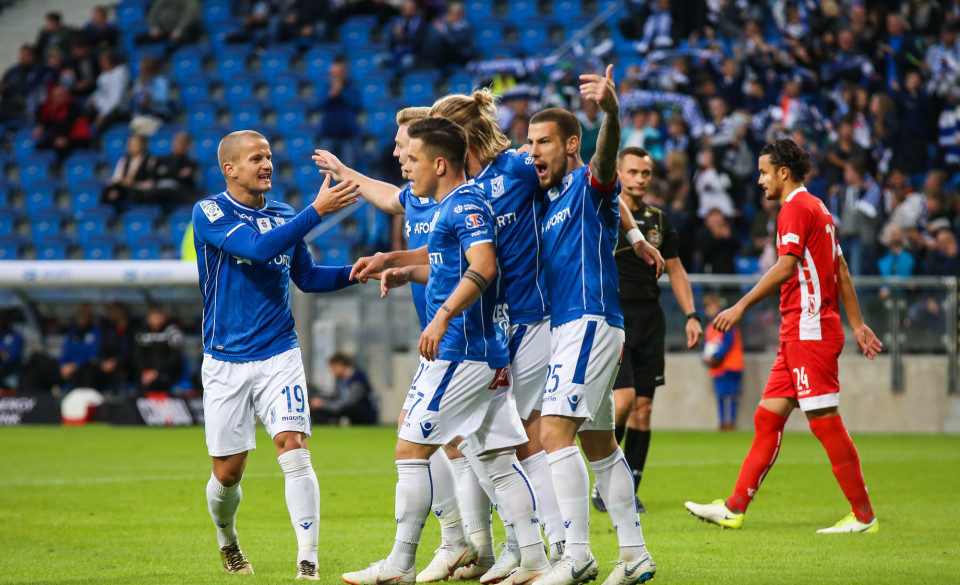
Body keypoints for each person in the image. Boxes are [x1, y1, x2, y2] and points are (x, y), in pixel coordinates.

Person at [343, 117, 550, 585]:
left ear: (440, 164)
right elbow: (449, 267)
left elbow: (484, 266)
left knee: (410, 448)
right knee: (497, 460)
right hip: (484, 352)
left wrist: (441, 316)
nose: (406, 167)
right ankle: (535, 559)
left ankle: (401, 565)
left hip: (462, 350)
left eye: (413, 158)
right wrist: (401, 270)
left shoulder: (466, 203)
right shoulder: (451, 206)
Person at [684, 138, 883, 534]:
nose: (759, 180)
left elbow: (787, 265)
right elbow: (841, 269)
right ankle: (734, 507)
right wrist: (857, 324)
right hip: (799, 333)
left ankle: (864, 517)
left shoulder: (794, 209)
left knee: (823, 419)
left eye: (764, 173)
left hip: (810, 331)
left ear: (783, 173)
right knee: (767, 417)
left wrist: (740, 306)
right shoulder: (819, 207)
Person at [313, 108, 479, 584]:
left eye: (404, 145)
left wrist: (409, 274)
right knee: (464, 446)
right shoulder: (419, 198)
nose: (397, 152)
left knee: (433, 443)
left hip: (463, 337)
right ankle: (479, 547)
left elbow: (479, 263)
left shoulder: (457, 199)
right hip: (442, 337)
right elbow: (389, 200)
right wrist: (401, 266)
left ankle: (443, 550)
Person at [192, 129, 361, 579]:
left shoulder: (284, 215)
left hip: (279, 353)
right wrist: (316, 211)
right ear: (230, 169)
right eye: (255, 158)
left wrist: (360, 271)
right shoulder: (209, 212)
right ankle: (228, 540)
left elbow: (307, 277)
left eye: (268, 156)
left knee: (294, 448)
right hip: (225, 358)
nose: (266, 164)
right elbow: (256, 248)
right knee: (228, 474)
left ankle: (308, 559)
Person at [526, 65, 663, 585]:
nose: (533, 151)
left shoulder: (588, 185)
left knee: (553, 432)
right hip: (575, 326)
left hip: (588, 321)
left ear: (570, 144)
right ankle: (634, 555)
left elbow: (605, 163)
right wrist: (636, 237)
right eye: (530, 142)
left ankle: (576, 555)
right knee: (600, 445)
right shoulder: (548, 197)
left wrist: (610, 114)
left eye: (543, 142)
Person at [591, 147, 702, 515]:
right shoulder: (603, 212)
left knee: (644, 409)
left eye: (646, 173)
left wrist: (691, 315)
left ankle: (628, 491)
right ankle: (603, 481)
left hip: (650, 321)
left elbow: (677, 270)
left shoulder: (659, 220)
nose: (640, 179)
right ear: (618, 174)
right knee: (622, 402)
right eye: (633, 172)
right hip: (615, 318)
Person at [701, 294, 743, 431]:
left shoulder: (727, 321)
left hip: (731, 365)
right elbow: (706, 345)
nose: (711, 310)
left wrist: (715, 356)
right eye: (708, 307)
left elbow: (727, 343)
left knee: (731, 395)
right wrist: (705, 358)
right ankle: (722, 423)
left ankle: (730, 423)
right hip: (717, 368)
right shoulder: (709, 327)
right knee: (720, 396)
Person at [310, 352, 378, 425]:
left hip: (363, 415)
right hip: (347, 409)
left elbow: (349, 402)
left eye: (333, 368)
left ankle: (337, 421)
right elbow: (336, 396)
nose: (332, 371)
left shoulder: (358, 379)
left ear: (340, 365)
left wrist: (323, 404)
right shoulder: (342, 380)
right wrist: (321, 400)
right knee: (316, 411)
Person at [133, 305, 185, 393]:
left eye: (159, 315)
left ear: (164, 317)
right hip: (147, 372)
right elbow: (138, 355)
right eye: (154, 315)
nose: (156, 318)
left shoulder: (172, 333)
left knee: (156, 383)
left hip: (167, 372)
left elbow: (174, 358)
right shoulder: (142, 333)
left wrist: (156, 371)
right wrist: (145, 371)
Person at [59, 304, 101, 392]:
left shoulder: (96, 334)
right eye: (80, 314)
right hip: (68, 369)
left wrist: (75, 366)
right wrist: (63, 366)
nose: (82, 317)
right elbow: (65, 354)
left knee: (86, 371)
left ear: (90, 317)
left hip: (84, 370)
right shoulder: (72, 335)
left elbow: (93, 356)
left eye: (85, 314)